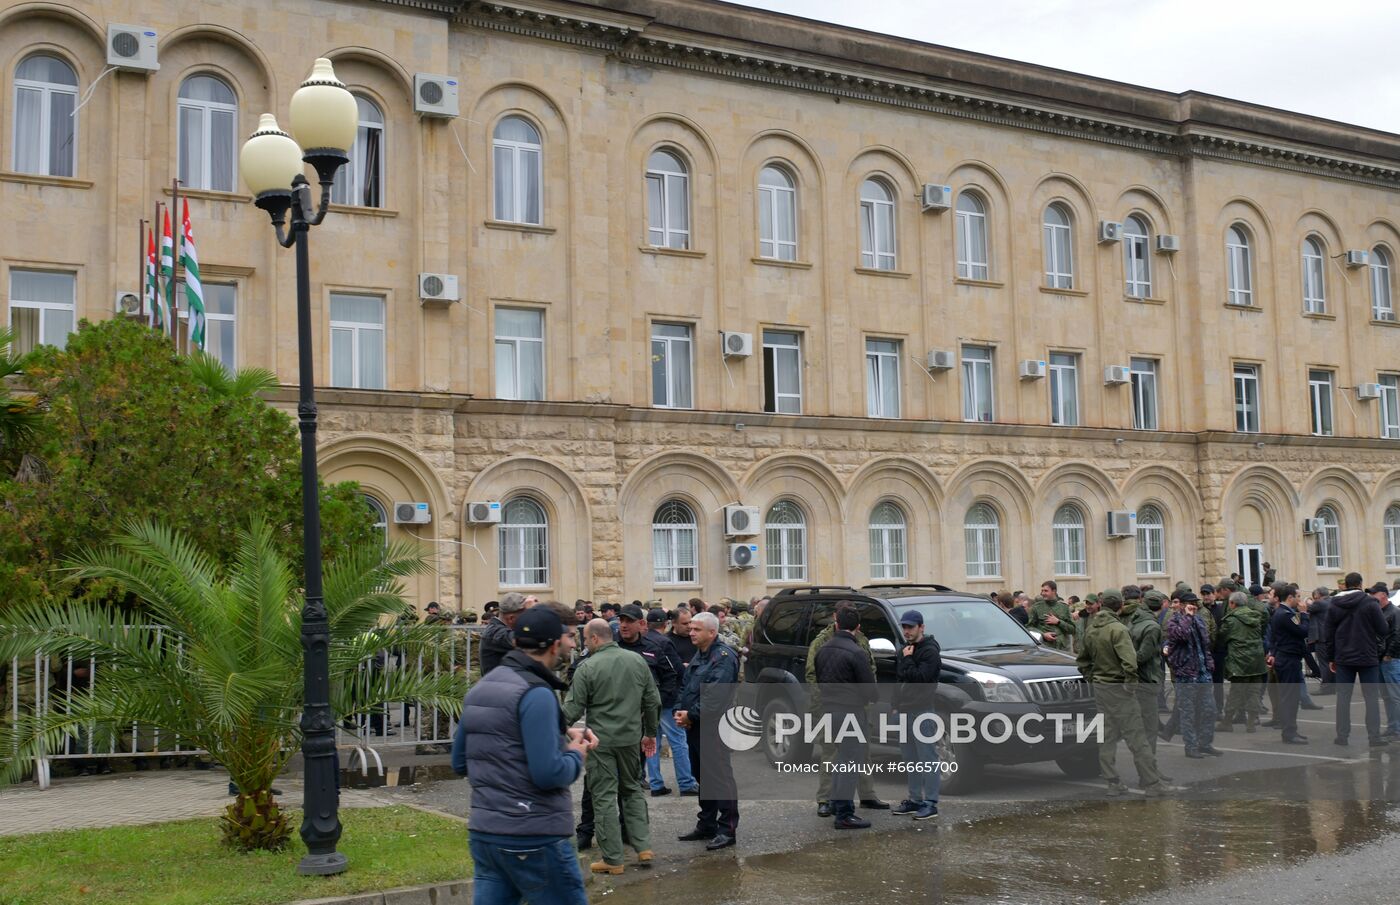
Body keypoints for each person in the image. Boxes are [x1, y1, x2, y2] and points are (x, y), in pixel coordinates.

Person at [451, 607, 594, 905]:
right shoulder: (537, 693)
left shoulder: (481, 688)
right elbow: (549, 773)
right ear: (554, 645)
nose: (571, 644)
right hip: (533, 836)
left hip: (485, 833)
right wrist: (575, 754)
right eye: (568, 638)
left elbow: (460, 761)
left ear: (515, 642)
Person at [562, 619, 660, 875]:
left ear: (594, 638)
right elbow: (652, 700)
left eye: (585, 638)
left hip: (600, 741)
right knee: (632, 789)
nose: (584, 643)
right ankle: (643, 846)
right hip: (630, 737)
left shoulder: (588, 666)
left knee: (604, 796)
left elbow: (573, 708)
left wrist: (552, 727)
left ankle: (613, 859)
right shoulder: (637, 660)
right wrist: (650, 733)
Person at [1077, 588, 1173, 795]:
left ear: (1102, 605)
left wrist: (1092, 678)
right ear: (1120, 605)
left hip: (1101, 687)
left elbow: (1082, 660)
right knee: (1137, 737)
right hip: (1119, 688)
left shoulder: (1091, 629)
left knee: (1107, 736)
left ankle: (1112, 782)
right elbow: (1130, 662)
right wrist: (1130, 684)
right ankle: (1151, 783)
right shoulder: (1118, 629)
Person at [805, 614, 888, 815]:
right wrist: (822, 703)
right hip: (834, 707)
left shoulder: (861, 640)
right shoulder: (822, 642)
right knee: (832, 754)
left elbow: (871, 668)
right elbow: (812, 675)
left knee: (861, 753)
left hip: (855, 707)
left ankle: (866, 795)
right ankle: (827, 800)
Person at [675, 612, 740, 850]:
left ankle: (727, 828)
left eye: (696, 629)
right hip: (696, 725)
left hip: (715, 726)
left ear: (712, 632)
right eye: (690, 628)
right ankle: (707, 824)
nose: (691, 632)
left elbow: (715, 696)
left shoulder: (723, 657)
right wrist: (681, 712)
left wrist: (690, 714)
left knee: (719, 776)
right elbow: (686, 685)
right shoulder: (700, 655)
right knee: (703, 775)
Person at [1326, 572, 1389, 748]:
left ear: (1345, 585)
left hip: (1343, 657)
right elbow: (1383, 629)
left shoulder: (1334, 604)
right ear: (1360, 584)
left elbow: (1328, 634)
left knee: (1343, 698)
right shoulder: (1370, 603)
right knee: (1371, 698)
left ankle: (1342, 736)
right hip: (1367, 655)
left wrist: (1331, 657)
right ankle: (1374, 737)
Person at [641, 607, 698, 796]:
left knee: (652, 741)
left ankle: (656, 784)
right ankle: (686, 783)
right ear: (667, 624)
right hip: (667, 698)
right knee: (678, 741)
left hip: (648, 700)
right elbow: (676, 670)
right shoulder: (664, 642)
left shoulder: (642, 641)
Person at [892, 609, 941, 820]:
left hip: (922, 710)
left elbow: (921, 678)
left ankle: (930, 803)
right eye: (904, 627)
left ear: (921, 627)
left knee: (927, 758)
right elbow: (900, 679)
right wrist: (895, 704)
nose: (906, 631)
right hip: (905, 709)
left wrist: (909, 659)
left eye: (910, 627)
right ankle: (914, 800)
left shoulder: (929, 651)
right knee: (910, 758)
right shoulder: (905, 649)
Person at [1164, 592, 1219, 757]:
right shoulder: (1173, 621)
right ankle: (1191, 746)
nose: (1193, 606)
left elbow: (1206, 642)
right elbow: (1181, 635)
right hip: (1186, 673)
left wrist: (1209, 663)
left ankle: (1205, 743)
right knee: (1188, 712)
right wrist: (1187, 617)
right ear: (1180, 604)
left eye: (1194, 603)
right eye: (1189, 603)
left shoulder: (1199, 620)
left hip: (1202, 672)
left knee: (1209, 710)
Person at [1119, 586, 1166, 756]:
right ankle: (1149, 770)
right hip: (1146, 680)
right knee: (1149, 729)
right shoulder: (1152, 627)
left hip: (1135, 679)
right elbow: (1143, 656)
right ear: (1161, 606)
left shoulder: (1134, 621)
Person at [1217, 591, 1268, 733]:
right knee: (1254, 691)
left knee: (1236, 692)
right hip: (1257, 659)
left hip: (1239, 660)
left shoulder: (1230, 620)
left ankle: (1227, 722)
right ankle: (1251, 723)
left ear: (1232, 603)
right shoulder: (1256, 616)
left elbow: (1221, 638)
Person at [1269, 583, 1311, 744]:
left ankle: (1291, 730)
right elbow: (1302, 631)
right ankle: (1289, 732)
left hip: (1287, 657)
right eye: (1297, 597)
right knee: (1289, 697)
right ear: (1290, 597)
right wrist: (1305, 614)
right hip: (1288, 659)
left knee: (1291, 697)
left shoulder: (1284, 612)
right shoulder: (1285, 614)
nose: (1299, 600)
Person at [1371, 583, 1400, 740]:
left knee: (1395, 696)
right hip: (1381, 659)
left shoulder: (1394, 612)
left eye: (1374, 594)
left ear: (1383, 595)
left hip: (1391, 659)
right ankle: (1392, 727)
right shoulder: (1379, 612)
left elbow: (1397, 635)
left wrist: (1389, 654)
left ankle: (1396, 729)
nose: (1371, 596)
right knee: (1388, 696)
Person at [480, 592, 528, 676]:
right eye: (526, 616)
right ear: (511, 618)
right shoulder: (495, 632)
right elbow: (520, 640)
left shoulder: (499, 629)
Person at [1028, 580, 1075, 651]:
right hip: (1045, 648)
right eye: (1042, 591)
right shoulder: (1036, 607)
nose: (1043, 593)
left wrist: (1058, 622)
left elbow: (1073, 630)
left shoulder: (1064, 608)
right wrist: (1043, 634)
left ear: (1054, 591)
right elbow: (1029, 627)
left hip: (1062, 649)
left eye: (1046, 591)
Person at [1310, 587, 1335, 694]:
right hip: (1331, 637)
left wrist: (1308, 601)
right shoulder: (1332, 601)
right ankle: (1334, 686)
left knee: (1324, 663)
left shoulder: (1319, 603)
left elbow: (1306, 608)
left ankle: (1326, 687)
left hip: (1322, 638)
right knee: (1332, 662)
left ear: (1318, 595)